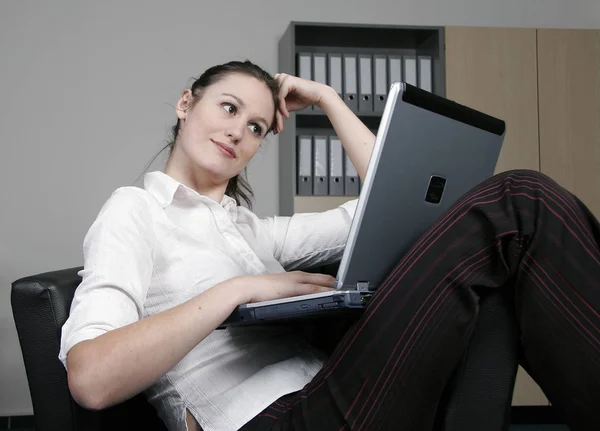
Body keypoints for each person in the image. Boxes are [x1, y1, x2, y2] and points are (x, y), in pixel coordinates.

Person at [59, 60, 600, 431]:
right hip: (272, 421)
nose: (238, 133)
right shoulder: (135, 211)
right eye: (228, 109)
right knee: (520, 198)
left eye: (256, 127)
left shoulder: (253, 230)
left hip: (335, 390)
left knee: (516, 217)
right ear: (185, 103)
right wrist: (239, 290)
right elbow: (91, 377)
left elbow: (399, 203)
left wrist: (327, 99)